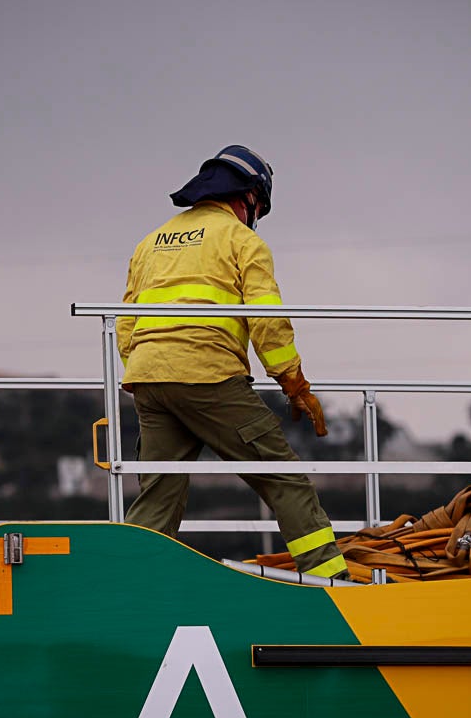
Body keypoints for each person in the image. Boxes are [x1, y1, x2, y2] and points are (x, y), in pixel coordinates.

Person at [117, 145, 348, 580]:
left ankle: (129, 588)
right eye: (259, 206)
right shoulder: (243, 240)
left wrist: (148, 368)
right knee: (285, 481)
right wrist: (294, 385)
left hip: (148, 378)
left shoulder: (150, 242)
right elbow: (267, 321)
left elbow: (126, 323)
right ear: (249, 198)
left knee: (158, 499)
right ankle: (333, 585)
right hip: (209, 376)